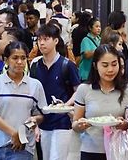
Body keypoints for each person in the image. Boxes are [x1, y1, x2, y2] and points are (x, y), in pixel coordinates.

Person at [0, 41, 48, 159]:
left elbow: (40, 115)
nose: (19, 62)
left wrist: (33, 120)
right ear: (6, 60)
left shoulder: (35, 85)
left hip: (23, 148)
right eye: (15, 58)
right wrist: (14, 134)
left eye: (23, 58)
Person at [72, 44, 128, 160]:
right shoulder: (84, 89)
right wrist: (80, 125)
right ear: (95, 66)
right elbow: (74, 124)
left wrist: (125, 124)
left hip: (121, 150)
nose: (110, 69)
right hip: (91, 151)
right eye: (105, 65)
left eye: (114, 64)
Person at [29, 24, 81, 160]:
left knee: (58, 157)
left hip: (62, 121)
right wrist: (34, 124)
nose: (41, 43)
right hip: (42, 121)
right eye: (39, 39)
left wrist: (65, 105)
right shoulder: (35, 65)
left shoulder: (67, 65)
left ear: (56, 41)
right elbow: (32, 95)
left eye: (46, 39)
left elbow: (78, 91)